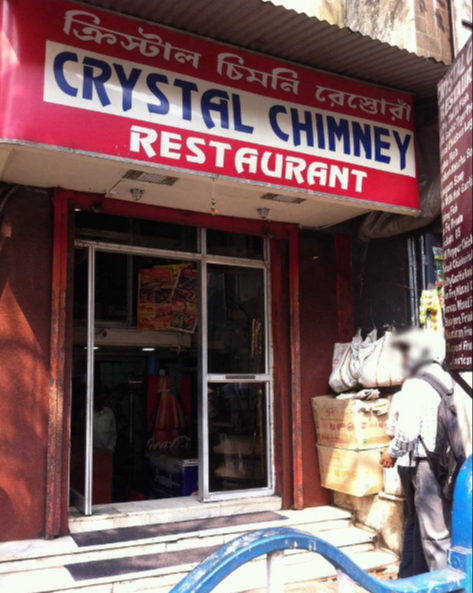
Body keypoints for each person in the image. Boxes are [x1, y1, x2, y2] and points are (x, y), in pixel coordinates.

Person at [380, 328, 452, 572]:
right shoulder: (448, 377)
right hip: (451, 463)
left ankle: (444, 585)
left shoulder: (414, 383)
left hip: (426, 466)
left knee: (434, 537)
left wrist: (391, 453)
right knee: (447, 528)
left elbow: (407, 433)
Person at [386, 389, 428, 578]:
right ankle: (419, 573)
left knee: (414, 518)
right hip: (419, 464)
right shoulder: (424, 391)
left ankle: (407, 572)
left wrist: (393, 453)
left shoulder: (399, 396)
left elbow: (390, 432)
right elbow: (406, 436)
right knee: (421, 521)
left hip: (404, 465)